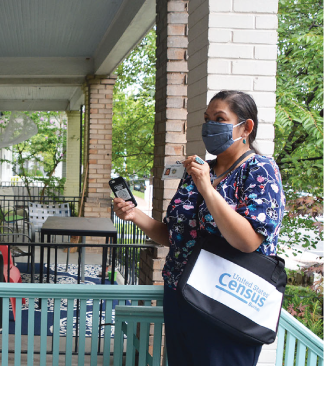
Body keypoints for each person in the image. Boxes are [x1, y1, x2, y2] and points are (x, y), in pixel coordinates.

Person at [113, 90, 285, 365]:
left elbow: (248, 241)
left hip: (228, 300)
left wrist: (207, 187)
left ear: (246, 127)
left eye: (219, 118)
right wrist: (134, 215)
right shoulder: (199, 171)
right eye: (207, 119)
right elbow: (174, 235)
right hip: (181, 293)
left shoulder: (260, 170)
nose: (209, 126)